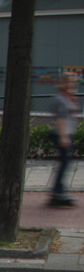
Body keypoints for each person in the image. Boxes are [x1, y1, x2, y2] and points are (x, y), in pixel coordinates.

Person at [48, 72, 80, 208]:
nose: (73, 84)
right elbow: (61, 118)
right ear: (64, 82)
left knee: (65, 163)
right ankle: (57, 192)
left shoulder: (67, 97)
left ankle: (58, 191)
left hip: (67, 134)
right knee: (65, 163)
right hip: (62, 134)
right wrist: (64, 136)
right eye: (71, 81)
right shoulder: (60, 99)